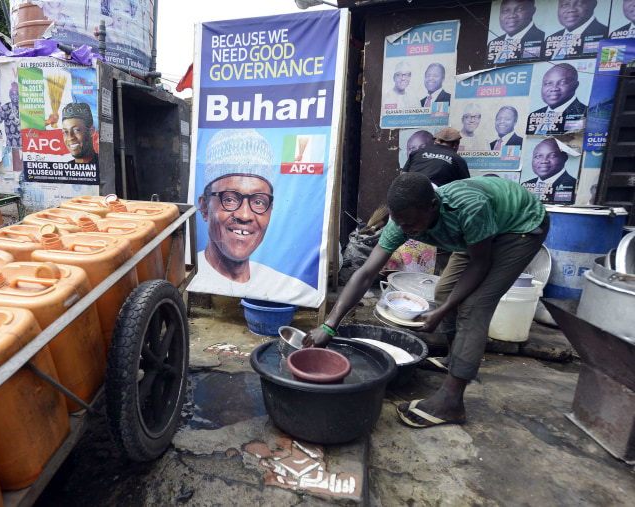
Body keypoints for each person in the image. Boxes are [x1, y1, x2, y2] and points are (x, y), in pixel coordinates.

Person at [303, 172, 549, 429]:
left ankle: (451, 402)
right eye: (399, 224)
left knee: (474, 307)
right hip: (479, 233)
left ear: (433, 206)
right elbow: (365, 274)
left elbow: (480, 264)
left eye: (410, 225)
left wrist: (444, 310)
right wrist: (329, 325)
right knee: (445, 292)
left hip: (520, 226)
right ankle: (456, 359)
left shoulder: (469, 208)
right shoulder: (401, 222)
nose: (404, 230)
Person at [189, 129, 315, 302]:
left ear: (270, 210)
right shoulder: (189, 277)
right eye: (230, 199)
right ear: (204, 207)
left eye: (258, 202)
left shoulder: (286, 288)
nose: (245, 214)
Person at [527, 64, 587, 135]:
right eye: (548, 83)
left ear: (576, 85)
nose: (554, 88)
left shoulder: (585, 113)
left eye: (563, 82)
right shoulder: (534, 115)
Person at [402, 128, 469, 187]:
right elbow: (465, 186)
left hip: (409, 190)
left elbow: (403, 175)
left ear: (437, 141)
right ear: (455, 145)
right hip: (435, 195)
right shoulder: (458, 159)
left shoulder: (417, 152)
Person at [543, 0, 608, 59]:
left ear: (593, 4)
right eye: (564, 5)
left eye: (579, 3)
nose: (571, 9)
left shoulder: (605, 35)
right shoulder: (550, 39)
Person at [522, 138, 577, 203]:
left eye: (552, 156)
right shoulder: (524, 185)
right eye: (538, 156)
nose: (544, 161)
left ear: (564, 158)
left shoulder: (573, 185)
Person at [0, 82, 21, 148]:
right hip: (10, 142)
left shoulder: (23, 107)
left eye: (17, 94)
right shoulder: (6, 107)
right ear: (10, 96)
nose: (15, 96)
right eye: (13, 94)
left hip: (23, 142)